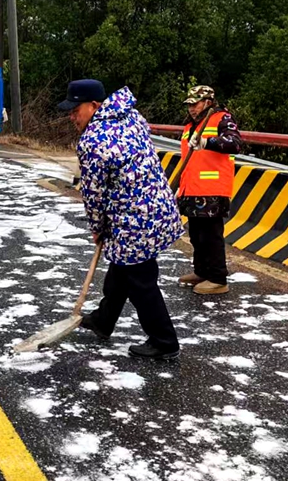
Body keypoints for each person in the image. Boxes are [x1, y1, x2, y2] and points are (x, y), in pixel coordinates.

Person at [58, 79, 182, 361]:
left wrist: (98, 228)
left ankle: (164, 341)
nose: (71, 116)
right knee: (122, 268)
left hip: (133, 219)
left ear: (94, 106)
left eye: (75, 109)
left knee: (140, 280)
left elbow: (94, 194)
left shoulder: (92, 141)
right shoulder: (131, 116)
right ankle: (104, 320)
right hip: (158, 206)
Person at [175, 85, 243, 295]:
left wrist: (208, 142)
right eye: (189, 105)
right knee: (196, 234)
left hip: (212, 189)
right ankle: (202, 271)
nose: (192, 109)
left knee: (211, 235)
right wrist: (181, 186)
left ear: (207, 102)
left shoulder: (221, 118)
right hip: (193, 188)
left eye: (195, 104)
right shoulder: (191, 126)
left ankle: (217, 278)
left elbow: (235, 143)